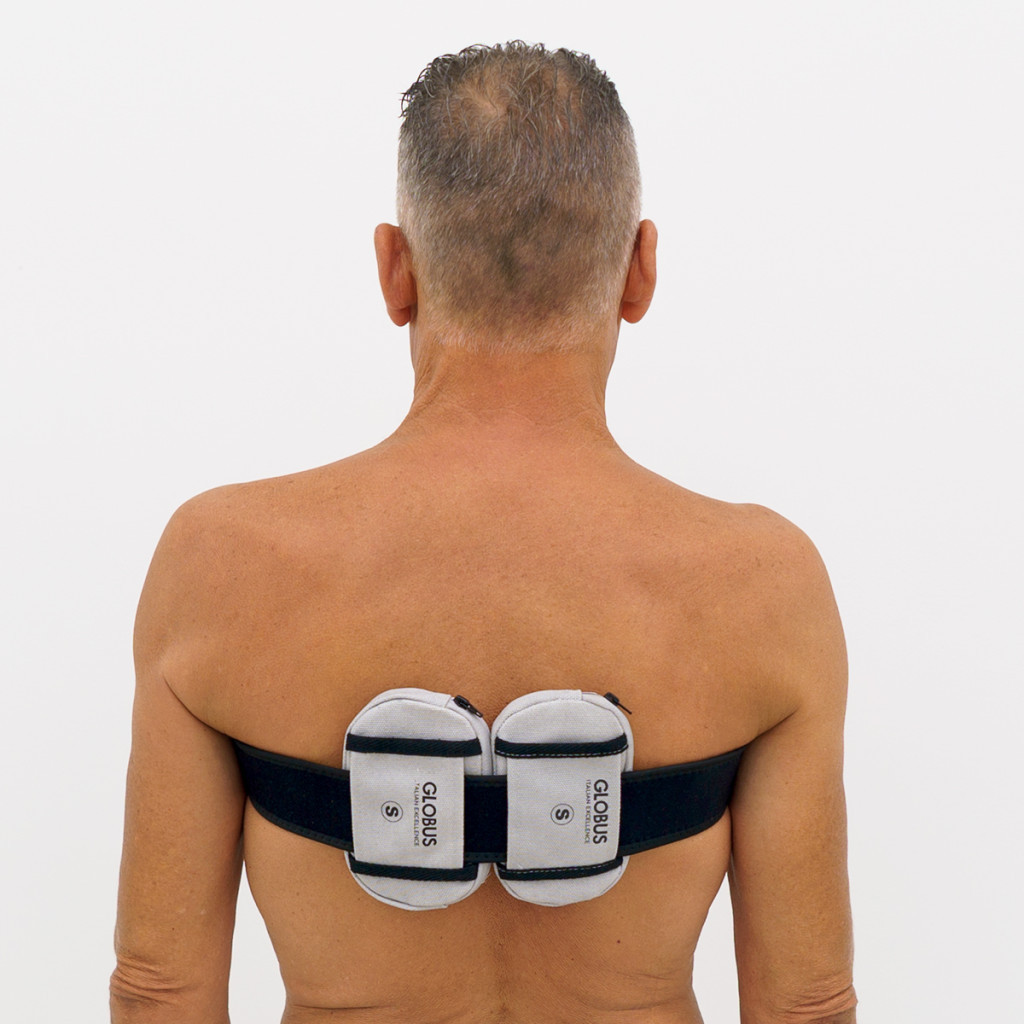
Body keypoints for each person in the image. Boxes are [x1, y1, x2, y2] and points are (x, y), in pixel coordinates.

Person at [111, 41, 856, 1024]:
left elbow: (159, 993)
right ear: (640, 271)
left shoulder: (222, 566)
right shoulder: (763, 586)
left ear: (395, 271)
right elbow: (806, 1007)